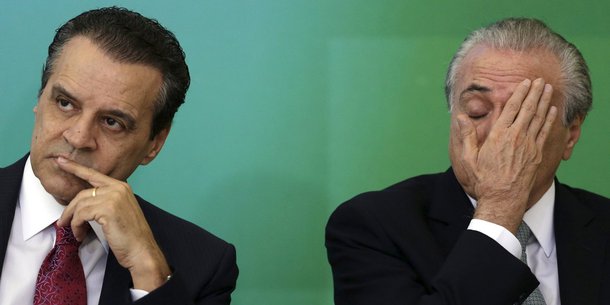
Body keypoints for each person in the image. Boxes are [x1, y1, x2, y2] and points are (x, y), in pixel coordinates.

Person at [326, 17, 610, 305]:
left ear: (571, 133)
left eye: (523, 115)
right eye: (477, 112)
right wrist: (499, 209)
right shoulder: (373, 227)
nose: (498, 135)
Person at [0, 7, 238, 305]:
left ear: (154, 143)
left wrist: (150, 272)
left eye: (112, 122)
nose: (78, 137)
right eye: (64, 103)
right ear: (40, 98)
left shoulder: (203, 268)